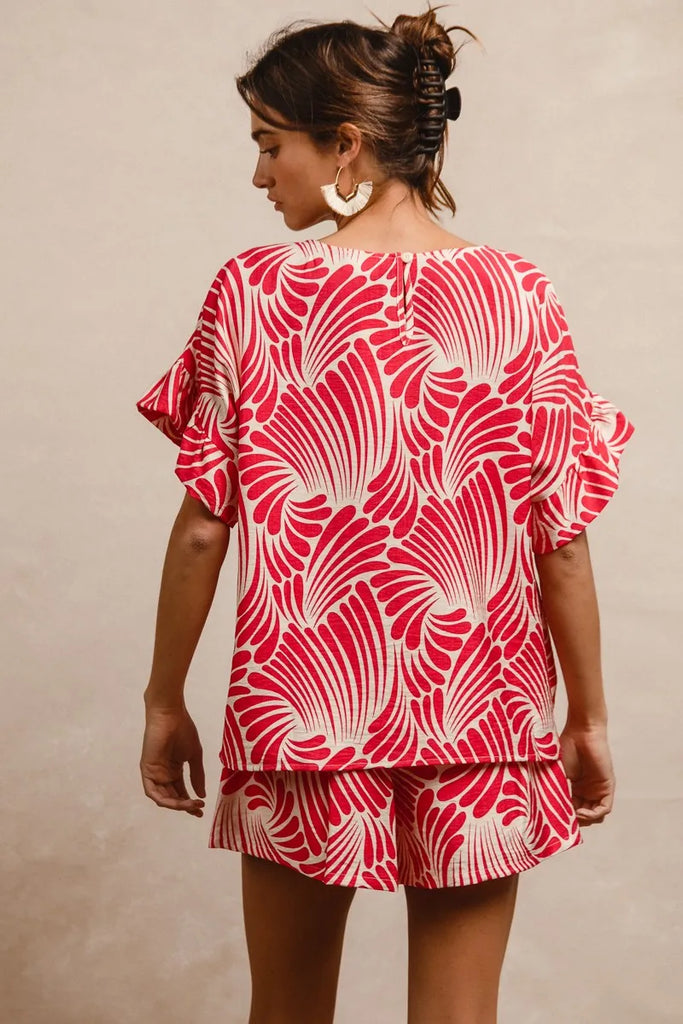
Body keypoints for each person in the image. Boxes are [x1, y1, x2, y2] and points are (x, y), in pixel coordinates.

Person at [135, 5, 635, 1023]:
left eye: (270, 144)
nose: (259, 174)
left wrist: (162, 700)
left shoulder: (252, 293)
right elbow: (560, 539)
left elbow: (202, 526)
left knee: (285, 1009)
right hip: (482, 719)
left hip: (300, 717)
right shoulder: (518, 295)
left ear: (345, 144)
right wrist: (585, 718)